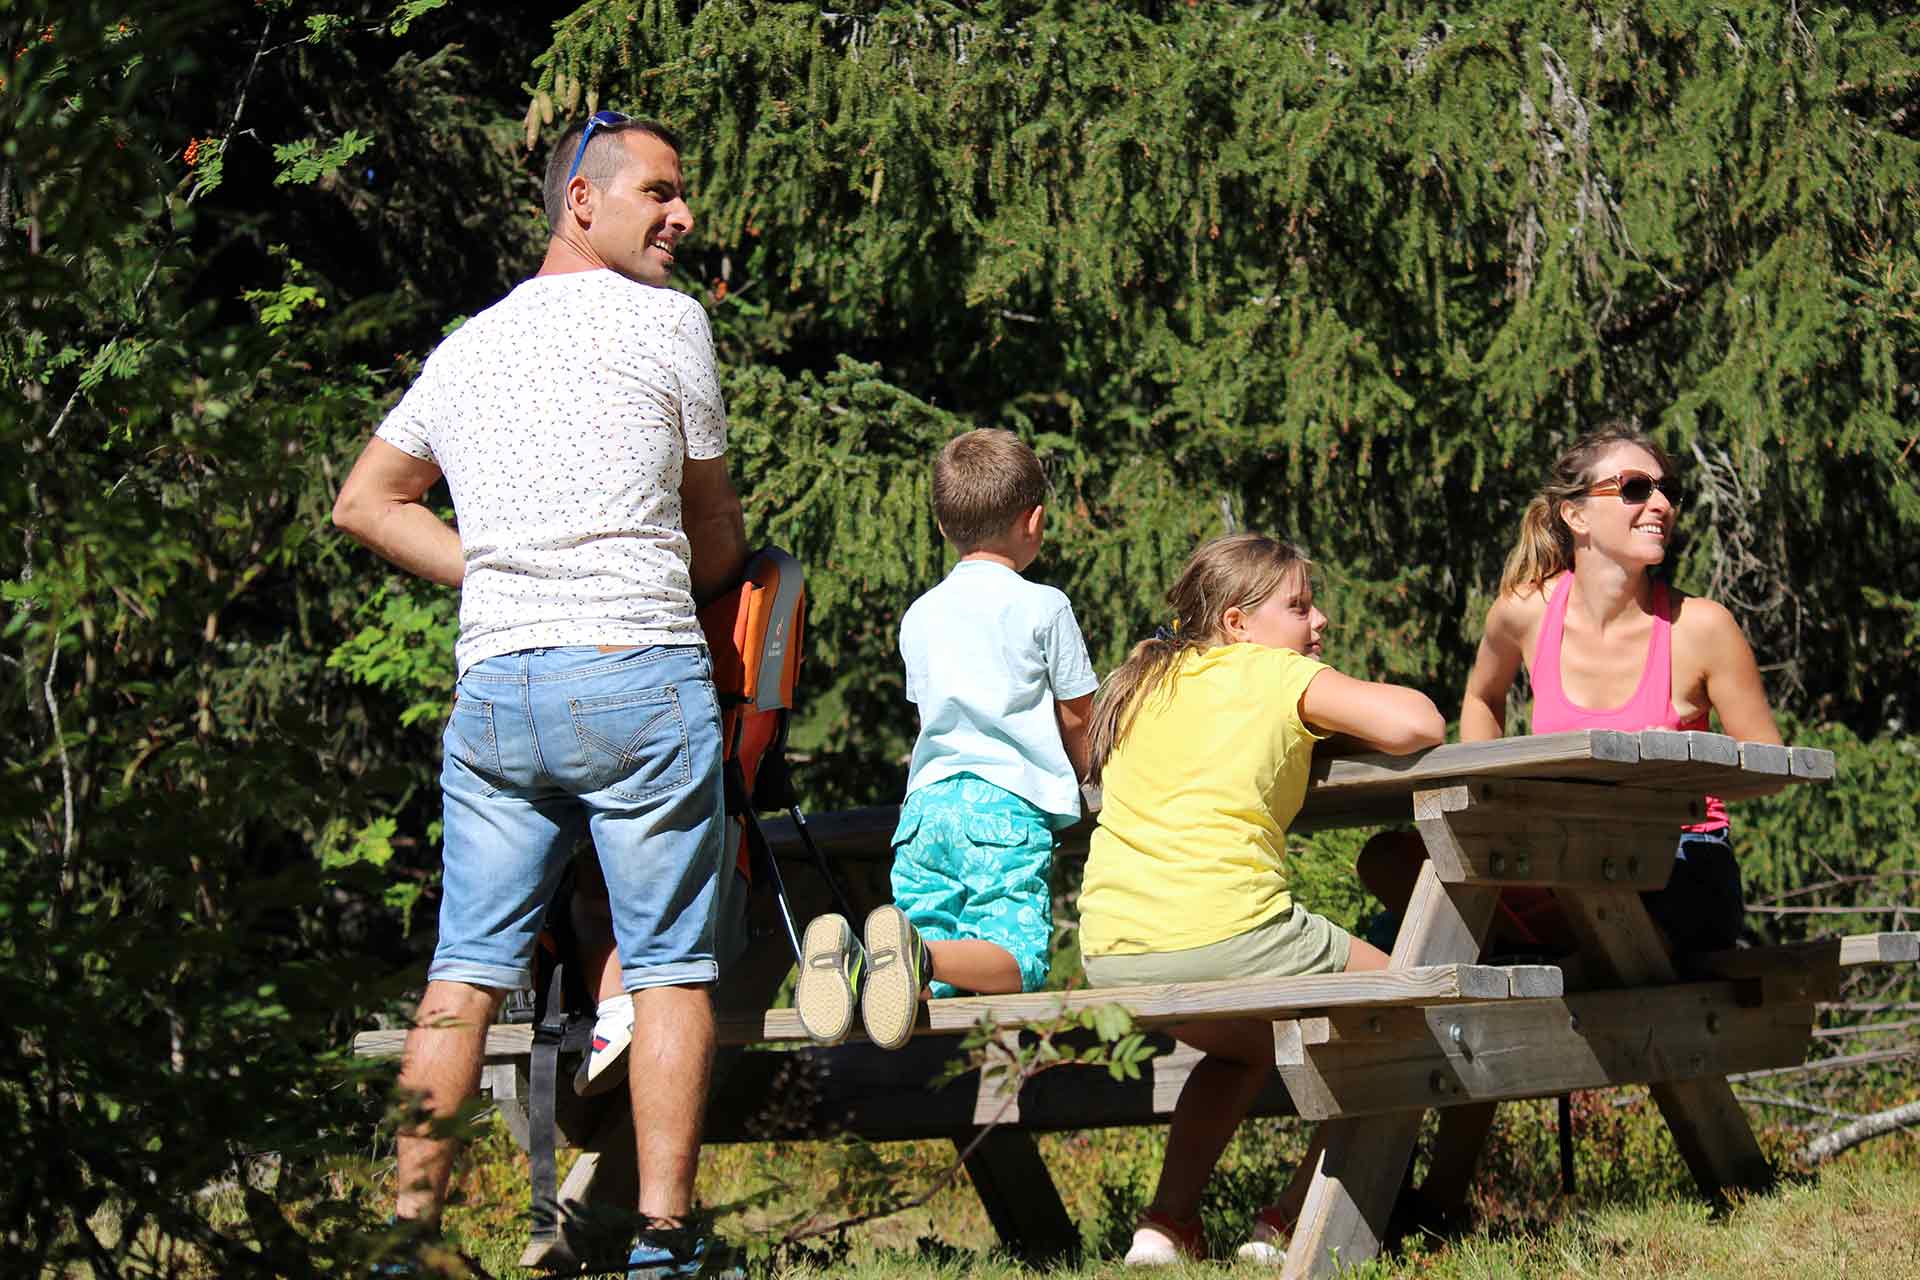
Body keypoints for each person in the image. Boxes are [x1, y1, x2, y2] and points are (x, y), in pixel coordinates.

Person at [332, 110, 747, 1276]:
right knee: (668, 964)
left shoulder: (468, 348)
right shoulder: (670, 324)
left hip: (500, 689)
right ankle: (665, 1240)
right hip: (634, 673)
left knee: (464, 964)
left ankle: (406, 1244)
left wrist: (501, 566)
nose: (683, 215)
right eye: (660, 192)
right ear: (582, 199)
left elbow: (366, 500)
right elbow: (713, 531)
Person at [1077, 533, 1445, 1267]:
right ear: (1239, 624)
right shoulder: (1272, 673)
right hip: (1230, 931)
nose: (1319, 623)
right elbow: (1419, 724)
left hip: (1113, 952)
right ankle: (1288, 1224)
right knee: (1411, 1016)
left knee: (1240, 1052)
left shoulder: (1146, 682)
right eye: (1299, 607)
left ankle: (1165, 1227)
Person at [1358, 423, 1782, 957]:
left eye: (1667, 491)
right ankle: (1535, 952)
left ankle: (1533, 954)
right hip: (1556, 849)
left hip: (1680, 859)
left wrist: (1671, 768)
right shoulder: (1526, 610)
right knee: (1389, 858)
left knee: (1449, 926)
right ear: (1575, 514)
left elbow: (1770, 767)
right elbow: (1481, 698)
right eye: (1634, 488)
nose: (1660, 504)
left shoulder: (1702, 627)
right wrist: (1489, 800)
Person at [792, 428, 1099, 1049]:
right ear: (1034, 521)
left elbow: (930, 711)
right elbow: (1078, 715)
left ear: (940, 525)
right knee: (1016, 961)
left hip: (925, 807)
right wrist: (1089, 774)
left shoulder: (921, 614)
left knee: (911, 974)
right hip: (1004, 810)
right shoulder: (1044, 607)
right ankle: (916, 956)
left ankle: (853, 962)